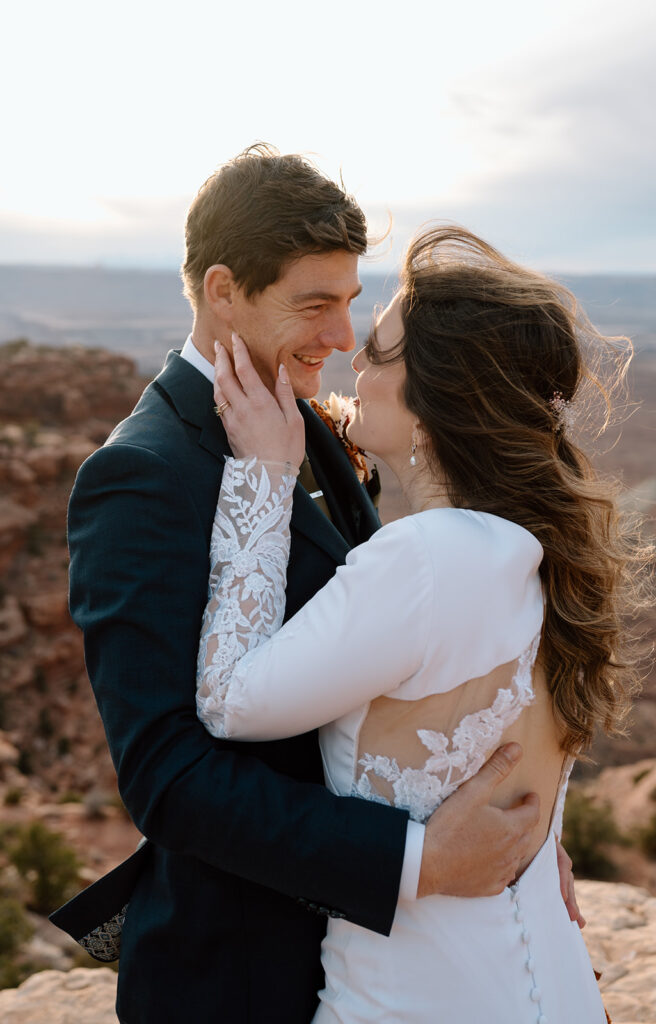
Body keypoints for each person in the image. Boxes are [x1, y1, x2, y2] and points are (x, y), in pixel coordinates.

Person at [59, 148, 575, 1024]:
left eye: (350, 302)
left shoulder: (310, 426)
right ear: (222, 291)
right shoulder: (140, 477)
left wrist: (527, 833)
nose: (342, 338)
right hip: (244, 968)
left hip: (373, 959)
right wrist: (418, 860)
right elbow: (167, 776)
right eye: (314, 305)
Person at [195, 224, 647, 1021]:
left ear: (437, 395)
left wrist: (264, 475)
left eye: (376, 351)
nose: (352, 368)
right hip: (556, 993)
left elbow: (231, 701)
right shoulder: (538, 549)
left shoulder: (430, 559)